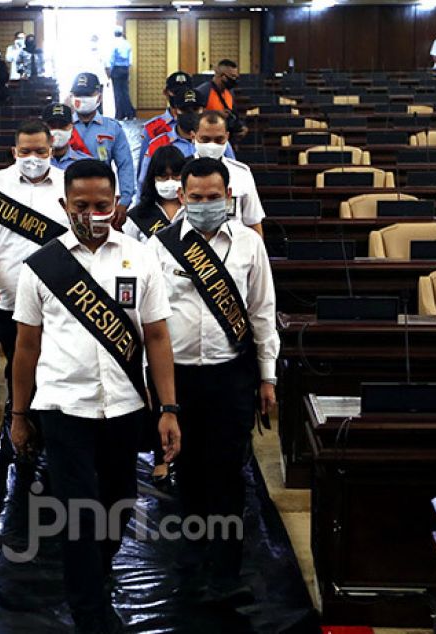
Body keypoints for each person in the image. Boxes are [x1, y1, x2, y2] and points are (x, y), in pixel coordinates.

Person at [11, 159, 181, 634]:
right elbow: (26, 347)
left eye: (101, 205)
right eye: (81, 206)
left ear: (117, 206)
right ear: (64, 206)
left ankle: (97, 572)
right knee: (78, 513)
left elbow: (158, 337)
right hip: (64, 406)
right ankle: (90, 613)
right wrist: (19, 415)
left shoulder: (140, 256)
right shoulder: (42, 266)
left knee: (120, 500)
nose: (91, 214)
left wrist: (168, 408)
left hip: (126, 404)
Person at [146, 156, 278, 606]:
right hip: (177, 380)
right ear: (182, 196)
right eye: (196, 197)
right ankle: (189, 561)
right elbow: (149, 320)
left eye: (213, 197)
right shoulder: (158, 246)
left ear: (229, 197)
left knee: (227, 474)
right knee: (187, 473)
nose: (204, 204)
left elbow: (262, 313)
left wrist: (268, 377)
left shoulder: (248, 245)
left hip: (231, 377)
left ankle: (225, 570)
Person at [0, 120, 69, 412]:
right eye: (26, 151)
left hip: (62, 297)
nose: (33, 158)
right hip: (10, 299)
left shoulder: (68, 183)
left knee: (58, 368)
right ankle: (19, 425)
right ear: (14, 151)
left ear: (51, 151)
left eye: (40, 152)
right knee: (19, 368)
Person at [125, 144, 187, 489]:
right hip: (150, 312)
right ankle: (160, 458)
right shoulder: (138, 217)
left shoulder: (195, 213)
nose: (168, 182)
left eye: (175, 175)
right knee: (155, 392)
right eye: (162, 176)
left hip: (185, 313)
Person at [69, 72, 136, 228]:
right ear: (71, 97)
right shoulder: (63, 126)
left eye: (88, 94)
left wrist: (125, 201)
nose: (83, 99)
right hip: (71, 195)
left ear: (98, 96)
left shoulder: (112, 128)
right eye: (79, 94)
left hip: (102, 197)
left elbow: (125, 165)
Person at [191, 111, 264, 236]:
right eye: (205, 139)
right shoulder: (180, 172)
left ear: (227, 137)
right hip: (194, 251)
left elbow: (253, 222)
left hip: (235, 249)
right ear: (193, 137)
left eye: (219, 139)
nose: (212, 145)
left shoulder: (242, 173)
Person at [138, 71, 195, 166]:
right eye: (176, 92)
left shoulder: (202, 124)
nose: (180, 96)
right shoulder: (152, 128)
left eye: (185, 92)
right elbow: (144, 165)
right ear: (165, 92)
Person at [195, 60, 246, 139]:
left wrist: (242, 127)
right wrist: (216, 114)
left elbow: (234, 114)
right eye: (232, 76)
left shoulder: (230, 92)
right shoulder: (203, 92)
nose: (235, 80)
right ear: (222, 76)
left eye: (236, 77)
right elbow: (193, 115)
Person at [42, 103, 90, 170]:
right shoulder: (36, 162)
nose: (57, 131)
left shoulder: (87, 163)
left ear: (71, 127)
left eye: (62, 126)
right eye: (52, 126)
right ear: (43, 128)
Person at [107, 27, 135, 121]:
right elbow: (130, 62)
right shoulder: (127, 44)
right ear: (122, 33)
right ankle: (130, 113)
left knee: (117, 93)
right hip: (125, 69)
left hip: (116, 69)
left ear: (114, 33)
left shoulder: (113, 44)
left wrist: (109, 72)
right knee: (125, 92)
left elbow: (110, 60)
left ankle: (119, 114)